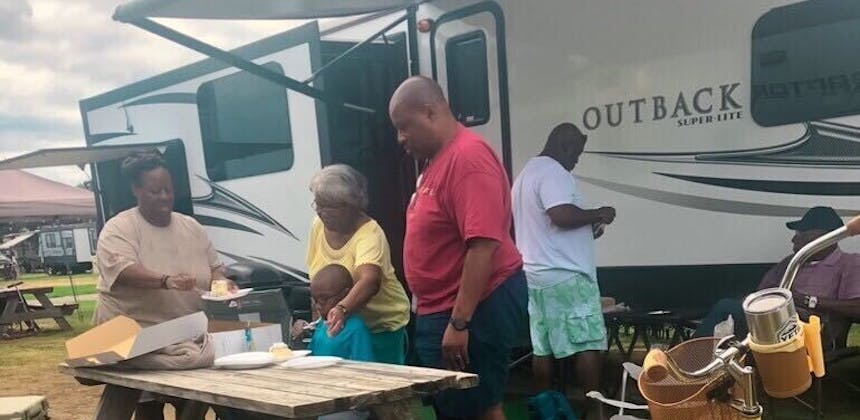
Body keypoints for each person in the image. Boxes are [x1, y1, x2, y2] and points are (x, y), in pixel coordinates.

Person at [389, 76, 528, 420]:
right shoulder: (438, 161)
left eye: (405, 126)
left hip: (475, 307)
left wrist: (460, 323)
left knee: (479, 407)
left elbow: (483, 245)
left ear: (431, 112)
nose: (400, 138)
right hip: (445, 307)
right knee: (456, 407)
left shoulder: (467, 159)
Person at [94, 151, 234, 420]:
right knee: (146, 407)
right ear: (136, 189)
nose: (164, 197)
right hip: (136, 335)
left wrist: (222, 283)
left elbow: (215, 267)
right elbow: (123, 270)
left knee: (194, 394)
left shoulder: (191, 226)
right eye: (155, 191)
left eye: (168, 190)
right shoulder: (119, 228)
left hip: (187, 332)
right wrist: (165, 280)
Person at [511, 122, 616, 417]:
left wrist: (587, 229)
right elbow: (560, 214)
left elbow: (549, 226)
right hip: (566, 276)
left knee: (543, 348)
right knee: (587, 342)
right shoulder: (553, 172)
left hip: (536, 276)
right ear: (565, 146)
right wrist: (599, 213)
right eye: (577, 153)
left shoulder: (526, 174)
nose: (576, 161)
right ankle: (595, 411)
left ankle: (544, 408)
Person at [695, 206, 860, 349]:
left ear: (823, 238)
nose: (794, 238)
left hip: (809, 331)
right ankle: (699, 369)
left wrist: (806, 300)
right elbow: (761, 294)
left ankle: (689, 370)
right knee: (731, 309)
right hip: (770, 325)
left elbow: (856, 307)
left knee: (727, 307)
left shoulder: (849, 263)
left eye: (802, 233)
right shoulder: (789, 263)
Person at [306, 164, 410, 364]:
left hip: (379, 327)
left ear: (351, 205)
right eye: (318, 204)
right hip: (339, 326)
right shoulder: (317, 226)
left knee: (382, 386)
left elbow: (370, 280)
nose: (321, 212)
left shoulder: (369, 234)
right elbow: (315, 275)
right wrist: (318, 320)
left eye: (329, 206)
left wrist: (341, 309)